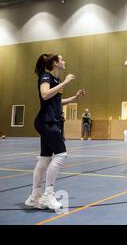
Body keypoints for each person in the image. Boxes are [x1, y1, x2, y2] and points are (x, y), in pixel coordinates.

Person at [25, 54, 85, 210]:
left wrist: (74, 98)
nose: (64, 61)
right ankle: (48, 195)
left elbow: (56, 100)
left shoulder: (56, 80)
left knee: (45, 159)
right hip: (46, 121)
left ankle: (34, 196)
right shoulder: (46, 76)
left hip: (50, 121)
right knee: (61, 154)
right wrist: (65, 82)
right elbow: (45, 95)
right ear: (55, 64)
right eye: (62, 59)